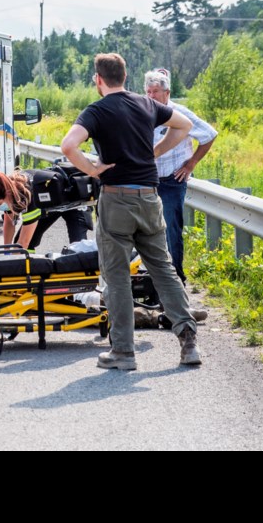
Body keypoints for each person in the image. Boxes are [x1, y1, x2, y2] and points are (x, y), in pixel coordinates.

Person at [60, 52, 201, 370]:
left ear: (98, 79)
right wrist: (156, 152)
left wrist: (93, 170)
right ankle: (188, 340)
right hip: (150, 198)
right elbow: (185, 125)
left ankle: (123, 352)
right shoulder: (147, 104)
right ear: (124, 76)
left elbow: (68, 145)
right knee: (163, 269)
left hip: (116, 199)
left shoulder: (96, 111)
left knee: (117, 276)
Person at [145, 68, 218, 284]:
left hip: (171, 181)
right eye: (148, 91)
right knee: (147, 233)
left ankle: (176, 279)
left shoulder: (179, 113)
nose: (151, 96)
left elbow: (209, 135)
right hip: (148, 181)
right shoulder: (145, 112)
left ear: (167, 93)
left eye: (155, 91)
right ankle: (153, 279)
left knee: (170, 230)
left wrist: (191, 163)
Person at [0, 170, 89, 251]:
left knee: (78, 248)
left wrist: (9, 263)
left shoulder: (28, 196)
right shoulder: (7, 190)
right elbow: (9, 223)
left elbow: (24, 242)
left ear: (7, 194)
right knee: (18, 246)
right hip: (48, 206)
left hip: (73, 202)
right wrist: (6, 252)